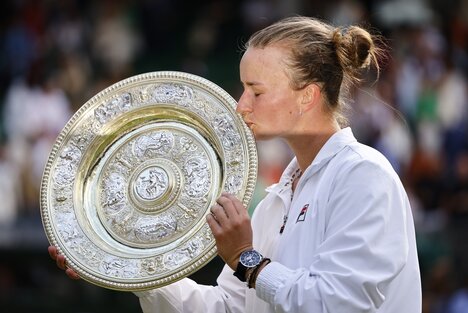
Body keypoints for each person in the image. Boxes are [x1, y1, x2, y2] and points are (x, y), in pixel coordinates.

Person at [49, 16, 422, 312]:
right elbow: (228, 308)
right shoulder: (275, 200)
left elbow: (339, 304)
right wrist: (120, 267)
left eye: (256, 91)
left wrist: (248, 260)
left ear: (307, 96)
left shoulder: (363, 176)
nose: (241, 105)